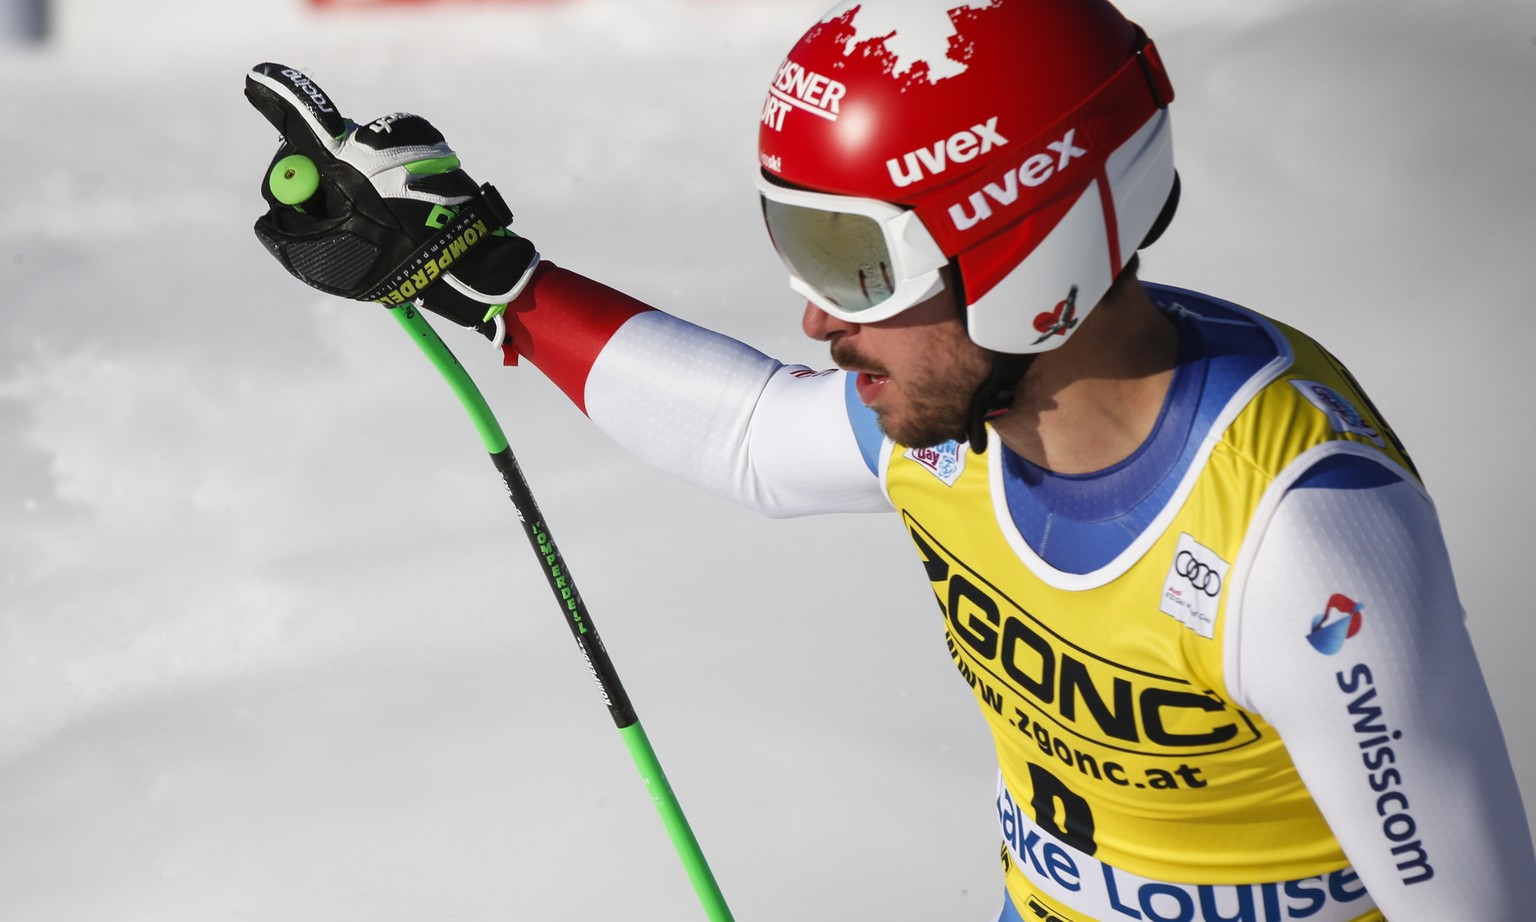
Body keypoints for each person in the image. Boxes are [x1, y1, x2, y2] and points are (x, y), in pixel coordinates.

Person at [244, 1, 1536, 918]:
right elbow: (750, 433)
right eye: (798, 248)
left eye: (854, 263)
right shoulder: (960, 414)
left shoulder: (1301, 548)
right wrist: (492, 279)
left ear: (1031, 263)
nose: (816, 317)